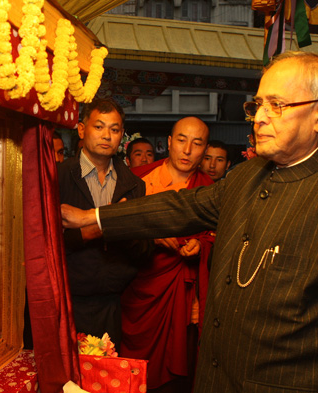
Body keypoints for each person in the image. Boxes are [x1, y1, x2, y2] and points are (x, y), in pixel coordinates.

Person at [61, 51, 318, 392]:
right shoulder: (248, 175)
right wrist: (93, 216)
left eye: (276, 105)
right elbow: (181, 207)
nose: (259, 118)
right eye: (258, 105)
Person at [122, 117, 214, 392]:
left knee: (176, 377)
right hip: (139, 286)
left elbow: (218, 235)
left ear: (204, 149)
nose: (187, 151)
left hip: (183, 295)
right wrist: (148, 234)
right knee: (131, 368)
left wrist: (202, 244)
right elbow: (117, 230)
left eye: (196, 144)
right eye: (182, 141)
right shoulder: (137, 180)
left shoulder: (211, 190)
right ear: (170, 143)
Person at [57, 98, 151, 349]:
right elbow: (43, 244)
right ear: (81, 129)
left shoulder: (133, 184)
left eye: (114, 129)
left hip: (114, 300)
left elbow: (144, 249)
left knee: (107, 380)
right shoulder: (58, 177)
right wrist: (99, 228)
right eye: (99, 127)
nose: (106, 136)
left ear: (122, 135)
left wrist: (116, 227)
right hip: (66, 299)